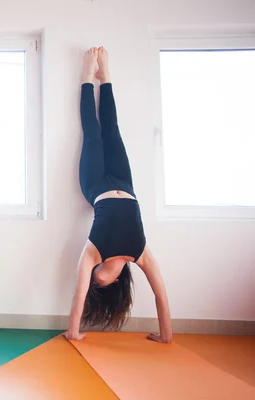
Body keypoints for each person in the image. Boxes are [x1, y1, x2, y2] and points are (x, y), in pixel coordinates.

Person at [63, 47, 172, 343]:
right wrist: (166, 336)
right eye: (103, 284)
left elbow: (78, 294)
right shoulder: (141, 253)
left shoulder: (93, 252)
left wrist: (74, 333)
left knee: (94, 132)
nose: (96, 281)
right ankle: (106, 76)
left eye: (94, 283)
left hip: (95, 185)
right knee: (112, 130)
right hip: (126, 182)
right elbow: (161, 293)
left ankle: (88, 76)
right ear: (117, 280)